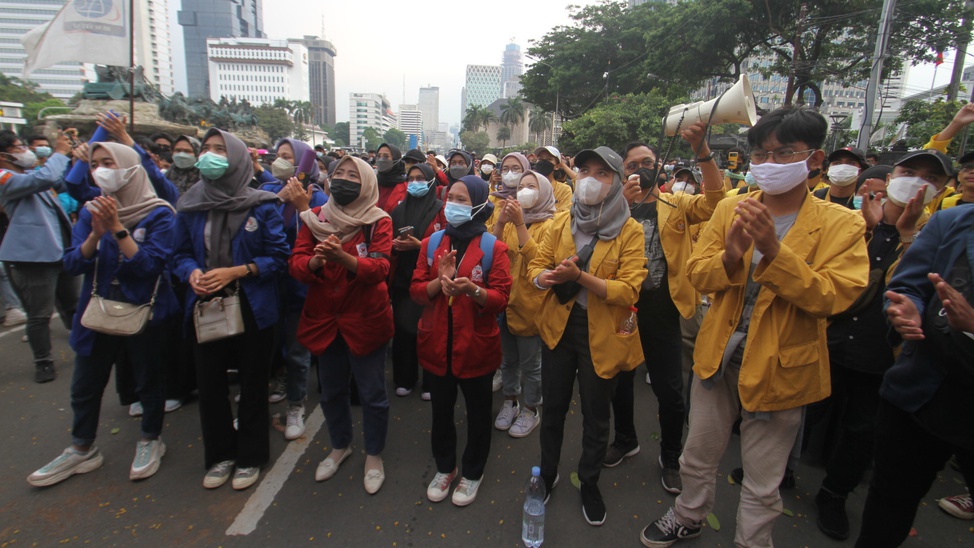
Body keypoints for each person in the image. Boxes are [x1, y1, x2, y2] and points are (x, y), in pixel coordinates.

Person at [640, 107, 868, 548]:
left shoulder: (842, 223)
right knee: (696, 456)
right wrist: (730, 257)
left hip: (782, 365)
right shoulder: (730, 208)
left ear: (815, 159)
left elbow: (832, 297)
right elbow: (698, 274)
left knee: (763, 481)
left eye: (784, 153)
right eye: (761, 155)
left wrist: (772, 250)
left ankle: (751, 542)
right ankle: (688, 514)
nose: (769, 164)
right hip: (718, 353)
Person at [27, 142, 178, 487]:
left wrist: (118, 229)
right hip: (97, 311)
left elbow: (151, 266)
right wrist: (95, 233)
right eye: (95, 164)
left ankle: (150, 439)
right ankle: (81, 448)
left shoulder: (159, 213)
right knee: (85, 384)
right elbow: (73, 263)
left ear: (128, 167)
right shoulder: (90, 210)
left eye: (108, 162)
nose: (100, 170)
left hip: (144, 312)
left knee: (148, 379)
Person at [806, 162, 930, 540]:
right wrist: (872, 229)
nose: (914, 184)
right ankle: (780, 471)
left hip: (880, 355)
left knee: (862, 431)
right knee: (804, 413)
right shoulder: (854, 224)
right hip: (831, 340)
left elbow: (912, 286)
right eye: (908, 173)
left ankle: (834, 494)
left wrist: (903, 234)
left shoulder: (933, 232)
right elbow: (837, 278)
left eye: (931, 179)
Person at [528, 146, 648, 526]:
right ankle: (547, 474)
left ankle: (590, 481)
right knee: (554, 410)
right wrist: (543, 277)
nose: (591, 179)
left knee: (597, 415)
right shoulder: (563, 222)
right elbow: (536, 264)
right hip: (559, 329)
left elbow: (629, 290)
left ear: (616, 182)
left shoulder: (630, 230)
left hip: (604, 334)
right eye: (585, 171)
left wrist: (579, 277)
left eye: (603, 173)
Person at [607, 124, 724, 498]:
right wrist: (620, 204)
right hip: (625, 306)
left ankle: (671, 456)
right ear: (623, 171)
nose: (641, 168)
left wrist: (700, 148)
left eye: (648, 162)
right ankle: (625, 438)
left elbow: (716, 201)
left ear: (660, 167)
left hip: (662, 308)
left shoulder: (678, 204)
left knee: (671, 389)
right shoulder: (613, 205)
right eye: (634, 164)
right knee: (621, 377)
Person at [172, 128, 288, 491]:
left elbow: (278, 256)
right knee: (210, 385)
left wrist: (239, 270)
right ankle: (220, 454)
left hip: (250, 304)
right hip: (205, 304)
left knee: (253, 384)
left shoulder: (262, 203)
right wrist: (191, 273)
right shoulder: (191, 204)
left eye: (220, 149)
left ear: (237, 157)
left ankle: (250, 456)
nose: (210, 155)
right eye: (205, 149)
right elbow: (178, 254)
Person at [855, 201, 974, 547]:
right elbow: (908, 285)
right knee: (889, 500)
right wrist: (906, 310)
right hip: (918, 391)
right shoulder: (952, 222)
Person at [290, 155, 394, 494]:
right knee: (331, 391)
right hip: (325, 322)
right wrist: (318, 260)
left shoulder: (378, 220)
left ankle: (374, 454)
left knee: (372, 393)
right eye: (339, 173)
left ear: (366, 183)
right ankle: (340, 445)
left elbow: (379, 269)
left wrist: (345, 259)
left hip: (365, 321)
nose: (344, 179)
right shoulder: (313, 217)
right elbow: (297, 264)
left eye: (354, 174)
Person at [411, 175, 511, 507]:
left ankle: (473, 471)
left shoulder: (493, 248)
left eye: (462, 199)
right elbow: (415, 291)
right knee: (440, 412)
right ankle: (445, 467)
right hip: (436, 346)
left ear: (481, 205)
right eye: (450, 197)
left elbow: (500, 299)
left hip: (476, 349)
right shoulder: (432, 242)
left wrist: (472, 290)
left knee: (479, 413)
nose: (452, 204)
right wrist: (440, 282)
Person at [260, 138, 328, 438]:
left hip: (299, 286)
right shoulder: (266, 193)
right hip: (266, 282)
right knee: (265, 348)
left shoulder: (317, 200)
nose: (281, 161)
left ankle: (296, 405)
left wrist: (302, 207)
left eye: (289, 157)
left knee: (298, 351)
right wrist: (279, 201)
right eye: (279, 156)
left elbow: (322, 237)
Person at [0, 129, 78, 383]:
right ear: (3, 155)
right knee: (40, 313)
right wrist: (59, 153)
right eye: (18, 147)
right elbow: (46, 178)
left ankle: (84, 344)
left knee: (72, 305)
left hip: (60, 249)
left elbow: (58, 181)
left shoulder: (31, 173)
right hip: (34, 258)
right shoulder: (5, 178)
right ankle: (43, 361)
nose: (25, 151)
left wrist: (74, 156)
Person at [491, 167, 556, 438]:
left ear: (544, 192)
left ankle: (531, 408)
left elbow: (540, 261)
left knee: (531, 365)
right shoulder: (508, 220)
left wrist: (519, 225)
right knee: (507, 361)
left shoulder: (552, 225)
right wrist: (501, 222)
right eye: (521, 187)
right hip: (505, 303)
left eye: (532, 186)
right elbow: (492, 251)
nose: (524, 191)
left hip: (531, 308)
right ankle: (510, 401)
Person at [390, 162, 445, 399]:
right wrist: (396, 246)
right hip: (403, 279)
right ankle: (405, 377)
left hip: (431, 279)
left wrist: (420, 245)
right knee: (404, 331)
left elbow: (447, 242)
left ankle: (432, 382)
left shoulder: (441, 209)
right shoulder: (399, 209)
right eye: (410, 178)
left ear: (432, 181)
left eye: (420, 178)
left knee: (431, 331)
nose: (414, 183)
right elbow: (386, 239)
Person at [534, 146, 574, 212]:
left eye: (549, 159)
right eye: (540, 159)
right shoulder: (528, 187)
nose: (543, 162)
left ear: (557, 166)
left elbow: (563, 216)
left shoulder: (564, 190)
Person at [375, 143, 408, 214]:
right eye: (378, 156)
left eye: (386, 156)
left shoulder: (407, 187)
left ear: (396, 159)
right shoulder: (372, 183)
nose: (381, 160)